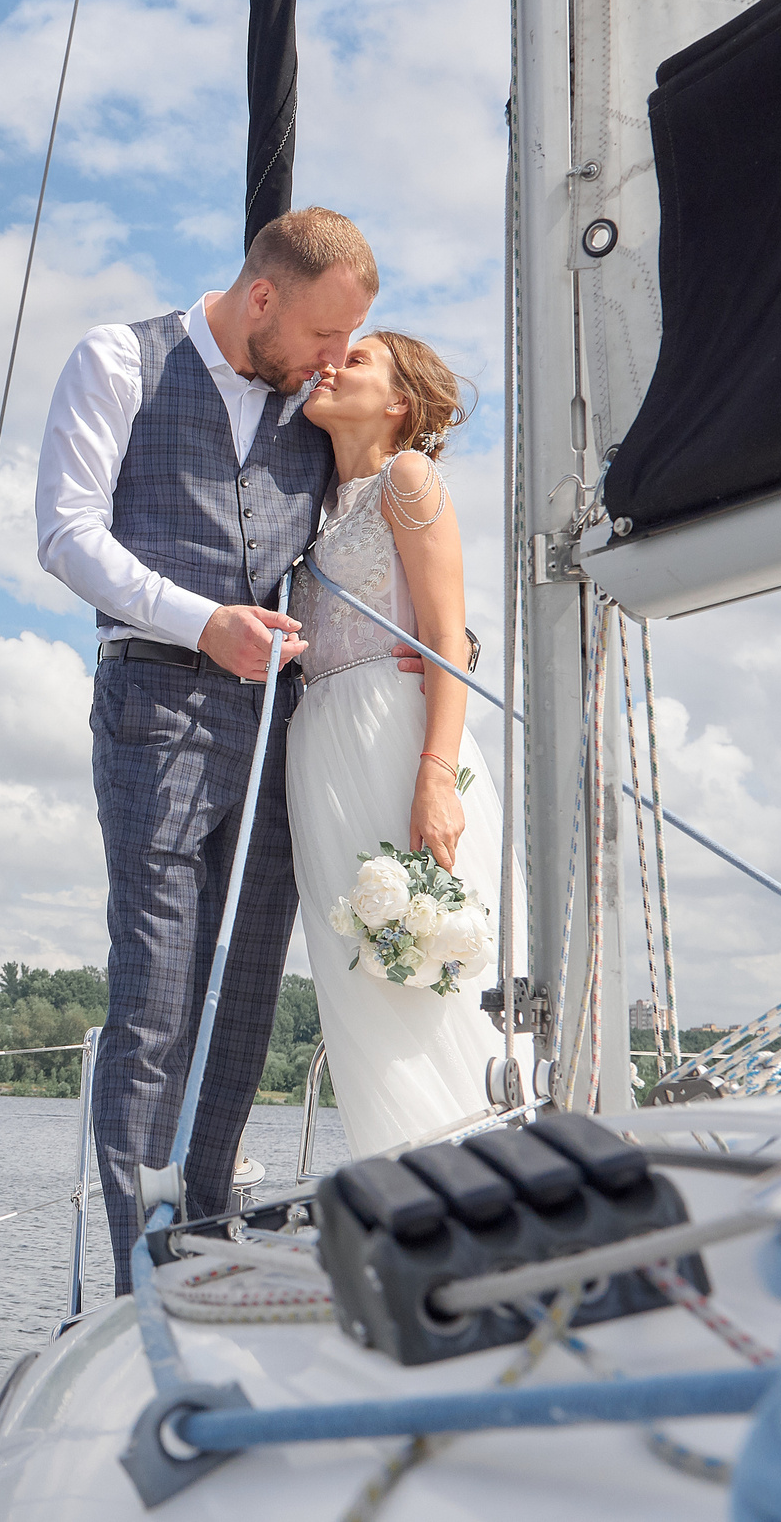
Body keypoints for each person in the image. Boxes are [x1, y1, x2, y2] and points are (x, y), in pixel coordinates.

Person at [33, 208, 376, 1296]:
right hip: (155, 699)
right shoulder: (117, 359)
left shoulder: (309, 405)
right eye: (325, 333)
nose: (333, 359)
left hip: (278, 720)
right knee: (153, 993)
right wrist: (200, 620)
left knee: (245, 999)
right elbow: (66, 530)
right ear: (262, 296)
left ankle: (211, 1232)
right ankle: (143, 1267)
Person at [289, 331, 510, 1157]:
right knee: (363, 982)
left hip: (399, 734)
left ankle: (487, 1163)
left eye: (357, 359)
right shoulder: (308, 502)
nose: (330, 364)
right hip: (319, 751)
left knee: (435, 970)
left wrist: (436, 776)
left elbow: (449, 638)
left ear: (398, 403)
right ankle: (405, 1172)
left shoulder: (406, 478)